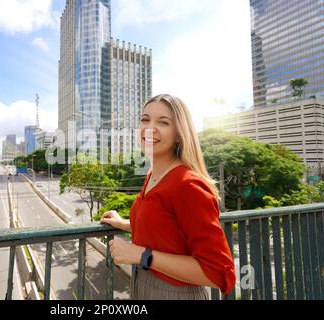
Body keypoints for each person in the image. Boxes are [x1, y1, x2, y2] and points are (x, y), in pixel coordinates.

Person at [101, 94, 236, 300]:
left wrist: (141, 255)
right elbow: (165, 228)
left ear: (179, 134)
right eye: (145, 119)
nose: (149, 127)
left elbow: (219, 273)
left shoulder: (187, 184)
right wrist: (124, 224)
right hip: (142, 285)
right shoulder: (152, 176)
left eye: (163, 122)